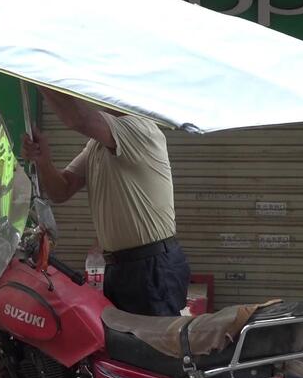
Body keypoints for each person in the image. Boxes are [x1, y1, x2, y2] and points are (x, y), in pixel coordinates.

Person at [21, 88, 189, 317]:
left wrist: (37, 78)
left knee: (152, 348)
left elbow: (77, 118)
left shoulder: (139, 129)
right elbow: (61, 190)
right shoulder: (97, 145)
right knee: (117, 349)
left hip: (152, 267)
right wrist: (43, 161)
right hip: (119, 267)